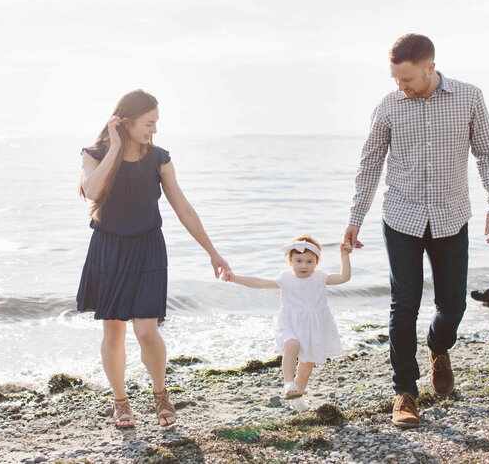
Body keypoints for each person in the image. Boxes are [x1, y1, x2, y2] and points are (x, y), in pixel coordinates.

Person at [344, 34, 489, 428]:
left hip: (451, 216)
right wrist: (354, 220)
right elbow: (369, 166)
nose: (401, 87)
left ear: (430, 67)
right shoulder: (388, 107)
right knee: (405, 304)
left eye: (407, 79)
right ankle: (405, 392)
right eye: (395, 80)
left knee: (453, 305)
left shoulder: (468, 97)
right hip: (401, 216)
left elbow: (488, 153)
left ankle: (438, 347)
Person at [77, 89, 230, 428]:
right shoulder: (95, 154)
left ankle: (160, 394)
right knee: (113, 332)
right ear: (126, 122)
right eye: (149, 123)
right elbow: (93, 192)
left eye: (156, 123)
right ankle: (121, 403)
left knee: (147, 331)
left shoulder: (159, 159)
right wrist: (115, 148)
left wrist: (212, 252)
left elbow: (184, 208)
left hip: (148, 248)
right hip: (109, 248)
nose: (154, 130)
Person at [222, 235, 351, 412]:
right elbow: (259, 282)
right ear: (290, 261)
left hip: (314, 329)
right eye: (299, 261)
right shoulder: (286, 280)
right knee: (292, 344)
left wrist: (344, 255)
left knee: (306, 370)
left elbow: (344, 277)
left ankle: (296, 399)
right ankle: (288, 382)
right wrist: (235, 278)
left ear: (317, 262)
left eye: (309, 261)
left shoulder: (320, 278)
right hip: (290, 325)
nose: (304, 266)